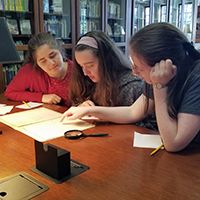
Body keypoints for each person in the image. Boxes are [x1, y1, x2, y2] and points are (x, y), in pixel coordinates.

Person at [61, 22, 200, 152]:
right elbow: (132, 112)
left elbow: (174, 143)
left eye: (139, 67)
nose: (134, 72)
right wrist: (91, 111)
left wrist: (160, 87)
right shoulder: (159, 76)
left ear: (162, 65)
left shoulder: (193, 78)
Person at [70, 31, 143, 107]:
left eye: (90, 65)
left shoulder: (132, 87)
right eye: (81, 66)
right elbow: (76, 102)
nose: (85, 73)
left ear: (107, 61)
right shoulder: (86, 82)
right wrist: (81, 106)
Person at [4, 32, 73, 106]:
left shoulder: (78, 69)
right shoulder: (30, 71)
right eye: (43, 61)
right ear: (36, 64)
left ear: (60, 51)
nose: (51, 63)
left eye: (53, 55)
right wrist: (41, 97)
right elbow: (10, 92)